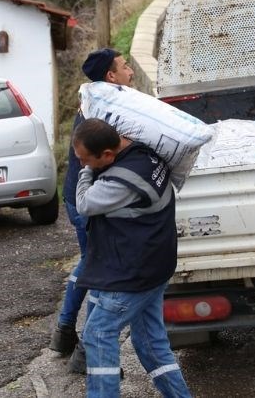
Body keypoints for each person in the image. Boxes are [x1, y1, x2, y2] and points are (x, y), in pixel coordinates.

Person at [73, 118, 191, 398]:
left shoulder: (123, 180)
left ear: (107, 155)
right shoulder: (145, 152)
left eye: (85, 160)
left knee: (98, 334)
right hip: (154, 267)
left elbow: (84, 204)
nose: (81, 164)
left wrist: (86, 175)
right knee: (151, 344)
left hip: (133, 274)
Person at [49, 48, 135, 366]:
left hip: (77, 194)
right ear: (111, 76)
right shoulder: (105, 111)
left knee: (90, 262)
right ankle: (84, 350)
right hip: (86, 198)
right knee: (99, 267)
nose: (132, 71)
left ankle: (64, 332)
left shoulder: (97, 101)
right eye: (125, 67)